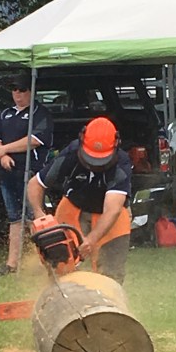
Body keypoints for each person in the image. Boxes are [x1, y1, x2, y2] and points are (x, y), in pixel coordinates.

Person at [27, 116, 132, 284]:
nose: (95, 164)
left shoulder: (122, 163)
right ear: (82, 140)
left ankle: (107, 305)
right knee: (61, 267)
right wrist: (39, 214)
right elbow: (35, 184)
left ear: (116, 145)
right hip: (74, 208)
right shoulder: (71, 153)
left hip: (109, 216)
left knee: (111, 275)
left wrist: (91, 239)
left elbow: (112, 210)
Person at [0, 71, 53, 274]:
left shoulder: (40, 113)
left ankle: (44, 258)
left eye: (22, 90)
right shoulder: (5, 114)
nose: (18, 94)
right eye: (14, 90)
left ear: (31, 91)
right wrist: (1, 156)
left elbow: (34, 140)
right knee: (14, 217)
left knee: (36, 215)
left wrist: (5, 149)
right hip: (7, 173)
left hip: (30, 173)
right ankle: (12, 263)